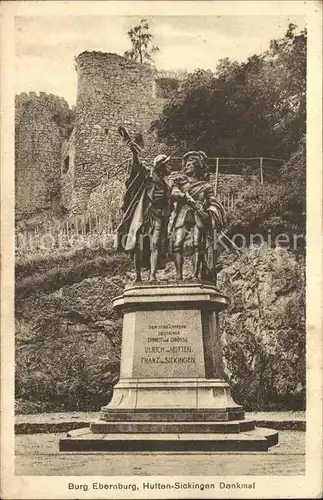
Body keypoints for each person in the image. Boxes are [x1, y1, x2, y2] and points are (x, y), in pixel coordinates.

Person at [116, 126, 171, 282]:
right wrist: (131, 147)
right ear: (160, 166)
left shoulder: (166, 186)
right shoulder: (148, 175)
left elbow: (168, 205)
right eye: (167, 164)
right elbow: (137, 164)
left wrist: (165, 214)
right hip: (144, 215)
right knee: (138, 246)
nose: (170, 167)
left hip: (158, 217)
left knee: (155, 245)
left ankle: (152, 275)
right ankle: (138, 276)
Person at [169, 151, 225, 281]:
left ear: (196, 168)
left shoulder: (205, 186)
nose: (186, 167)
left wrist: (209, 212)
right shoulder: (180, 181)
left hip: (197, 215)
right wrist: (184, 197)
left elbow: (213, 201)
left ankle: (195, 275)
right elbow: (174, 193)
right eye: (186, 165)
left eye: (190, 165)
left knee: (197, 245)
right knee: (177, 244)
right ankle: (178, 276)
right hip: (183, 213)